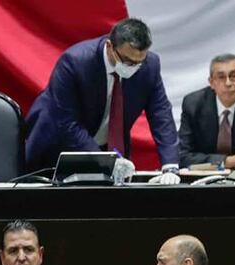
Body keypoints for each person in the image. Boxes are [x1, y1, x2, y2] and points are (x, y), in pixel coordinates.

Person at [24, 18, 180, 184]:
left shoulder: (150, 66)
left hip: (107, 150)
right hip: (57, 148)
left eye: (139, 62)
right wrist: (105, 161)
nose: (133, 67)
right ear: (110, 46)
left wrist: (170, 165)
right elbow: (65, 121)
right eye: (127, 61)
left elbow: (161, 114)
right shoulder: (75, 62)